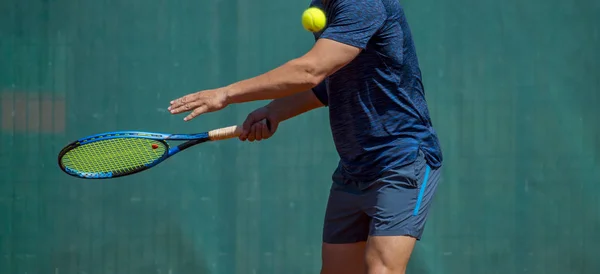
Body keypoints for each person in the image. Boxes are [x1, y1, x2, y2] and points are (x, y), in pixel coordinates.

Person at [168, 0, 443, 273]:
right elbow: (329, 84)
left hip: (401, 159)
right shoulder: (323, 5)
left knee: (382, 269)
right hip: (353, 167)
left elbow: (311, 70)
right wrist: (274, 110)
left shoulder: (362, 3)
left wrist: (226, 94)